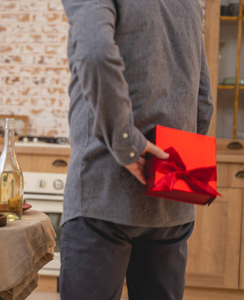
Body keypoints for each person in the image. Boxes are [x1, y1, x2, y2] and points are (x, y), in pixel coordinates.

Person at [59, 1, 214, 299]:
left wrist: (127, 144)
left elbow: (95, 53)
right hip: (172, 195)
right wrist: (178, 162)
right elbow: (203, 96)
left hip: (102, 191)